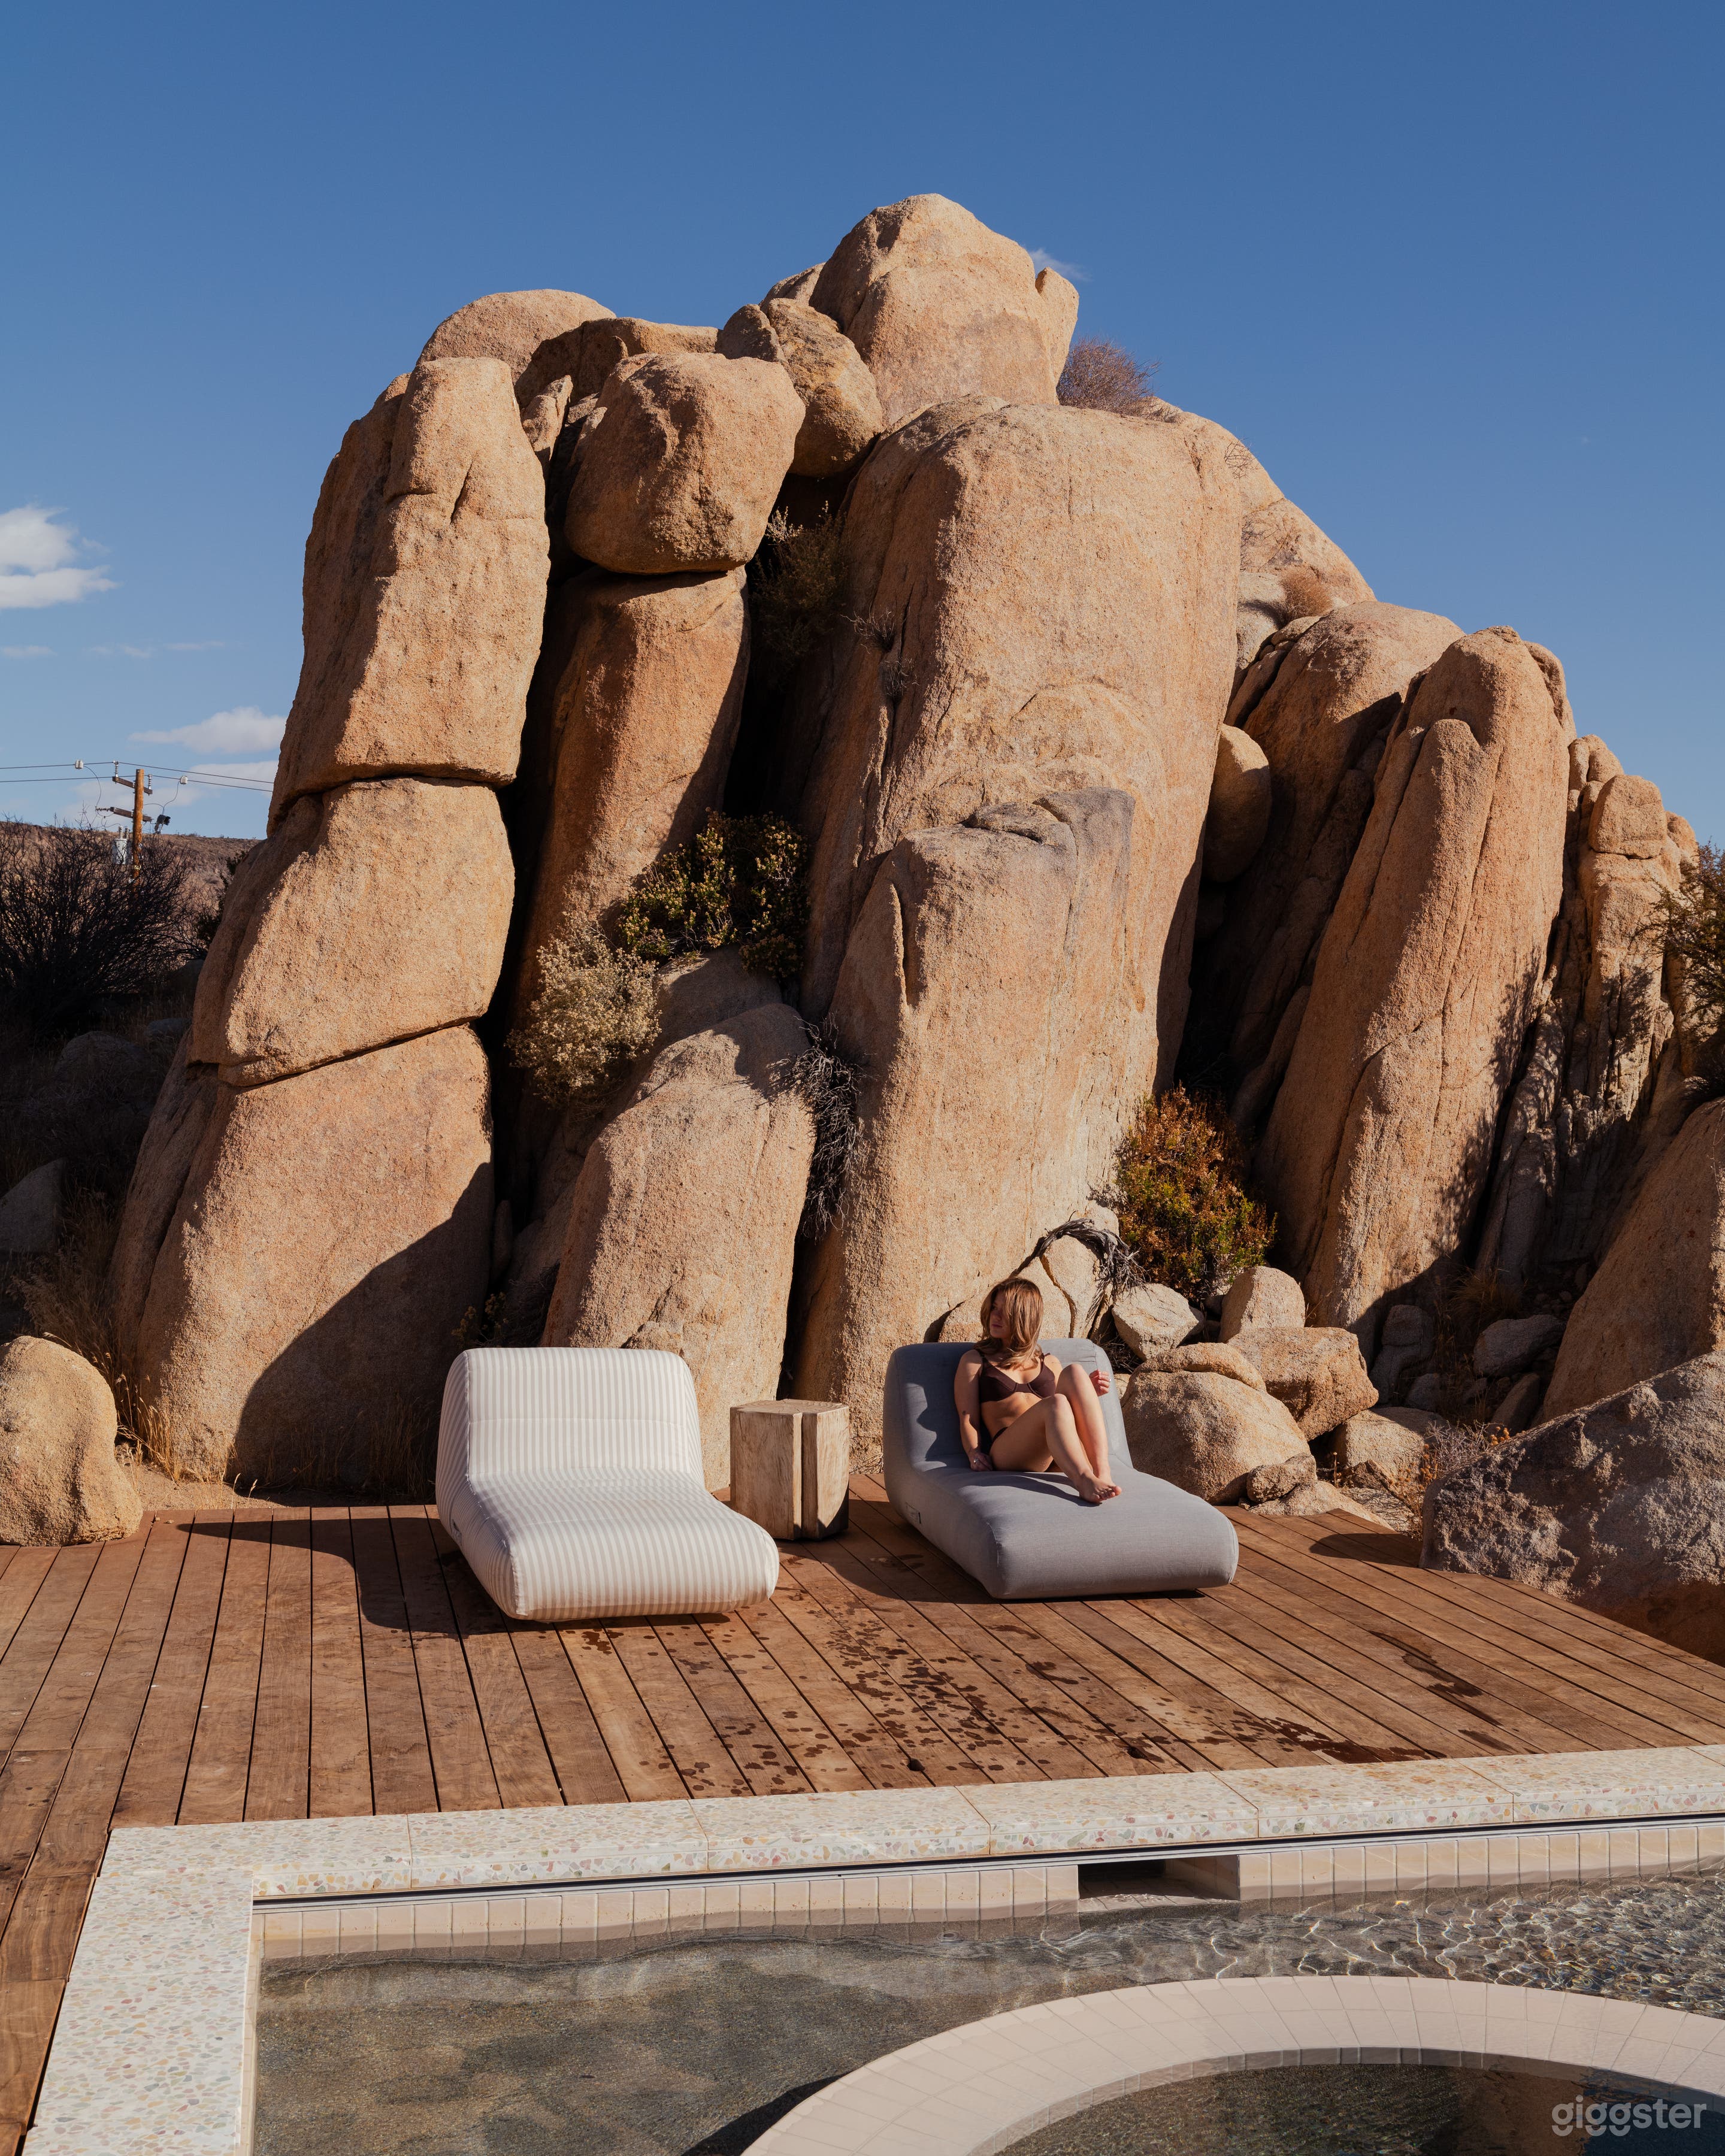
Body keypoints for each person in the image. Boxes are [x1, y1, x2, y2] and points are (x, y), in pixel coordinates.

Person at [954, 1276, 1121, 1504]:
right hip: (1010, 1452)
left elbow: (1064, 1413)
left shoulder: (1049, 1362)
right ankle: (1084, 1480)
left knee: (1075, 1373)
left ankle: (1102, 1473)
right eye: (994, 1308)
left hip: (1056, 1453)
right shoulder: (975, 1360)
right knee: (1055, 1403)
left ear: (1024, 1316)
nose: (995, 1316)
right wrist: (974, 1453)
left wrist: (1088, 1392)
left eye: (1005, 1311)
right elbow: (968, 1418)